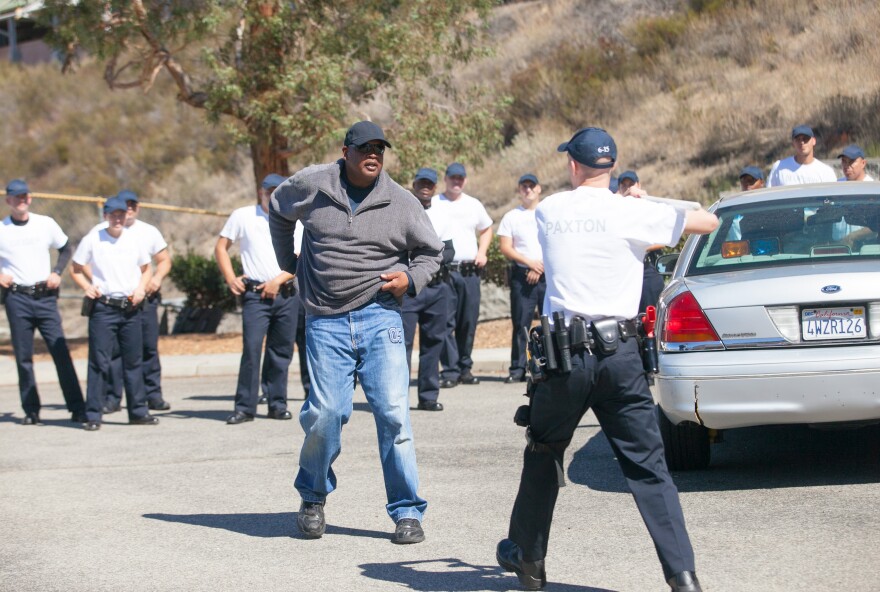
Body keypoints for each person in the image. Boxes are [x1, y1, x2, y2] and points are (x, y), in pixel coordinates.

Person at [495, 127, 719, 592]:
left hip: (565, 357)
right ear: (613, 167)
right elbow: (707, 222)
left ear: (573, 165)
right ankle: (683, 577)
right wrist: (644, 199)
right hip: (621, 356)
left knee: (543, 451)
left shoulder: (552, 209)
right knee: (648, 468)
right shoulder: (635, 213)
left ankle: (529, 560)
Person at [268, 121, 442, 544]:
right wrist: (288, 262)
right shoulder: (312, 185)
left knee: (394, 415)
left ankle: (406, 511)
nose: (373, 155)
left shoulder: (400, 202)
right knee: (326, 415)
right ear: (345, 151)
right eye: (365, 148)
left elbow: (431, 253)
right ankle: (312, 495)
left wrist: (409, 280)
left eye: (379, 149)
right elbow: (277, 207)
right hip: (325, 320)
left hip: (380, 317)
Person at [0, 179, 86, 425]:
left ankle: (77, 407)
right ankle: (31, 409)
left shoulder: (44, 224)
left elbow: (66, 248)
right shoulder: (2, 229)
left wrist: (57, 272)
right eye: (17, 197)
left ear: (30, 198)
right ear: (8, 201)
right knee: (24, 357)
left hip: (45, 297)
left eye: (25, 196)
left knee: (60, 351)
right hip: (17, 298)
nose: (22, 200)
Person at [216, 173, 298, 425]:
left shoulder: (296, 219)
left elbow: (300, 255)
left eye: (278, 191)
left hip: (285, 294)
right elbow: (221, 247)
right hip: (255, 296)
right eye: (269, 191)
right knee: (251, 351)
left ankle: (277, 403)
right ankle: (244, 408)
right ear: (261, 192)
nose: (273, 195)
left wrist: (277, 281)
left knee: (280, 352)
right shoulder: (243, 216)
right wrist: (231, 278)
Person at [70, 195, 157, 431]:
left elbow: (146, 268)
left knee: (133, 361)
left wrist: (141, 288)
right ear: (105, 215)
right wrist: (87, 286)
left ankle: (138, 411)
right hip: (104, 308)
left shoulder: (133, 240)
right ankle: (93, 414)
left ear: (127, 215)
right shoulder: (93, 238)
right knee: (99, 361)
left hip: (130, 307)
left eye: (122, 214)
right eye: (113, 214)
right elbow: (76, 268)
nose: (118, 218)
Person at [102, 190, 172, 414]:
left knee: (148, 347)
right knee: (115, 351)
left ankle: (153, 394)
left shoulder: (147, 232)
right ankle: (113, 397)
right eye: (125, 205)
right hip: (116, 302)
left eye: (133, 205)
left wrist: (157, 278)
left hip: (145, 300)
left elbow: (163, 260)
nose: (129, 209)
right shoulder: (101, 233)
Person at [433, 162, 493, 388]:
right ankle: (450, 370)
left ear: (465, 180)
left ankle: (465, 368)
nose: (456, 182)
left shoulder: (473, 204)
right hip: (446, 272)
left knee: (468, 321)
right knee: (445, 322)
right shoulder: (435, 204)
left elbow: (486, 228)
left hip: (469, 272)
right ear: (445, 178)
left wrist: (483, 252)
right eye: (452, 178)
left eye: (460, 178)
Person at [402, 167, 455, 411]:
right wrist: (431, 253)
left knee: (434, 342)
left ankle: (428, 396)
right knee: (402, 344)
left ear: (435, 188)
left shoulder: (443, 213)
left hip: (436, 288)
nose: (425, 187)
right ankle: (397, 397)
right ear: (414, 184)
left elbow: (450, 251)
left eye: (430, 184)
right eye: (421, 183)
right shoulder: (402, 209)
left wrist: (423, 256)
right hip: (410, 288)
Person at [497, 173, 545, 384]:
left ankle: (550, 364)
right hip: (522, 276)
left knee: (549, 322)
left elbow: (556, 242)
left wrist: (540, 266)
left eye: (531, 186)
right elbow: (506, 247)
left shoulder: (548, 213)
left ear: (539, 189)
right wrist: (529, 263)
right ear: (519, 190)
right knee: (520, 324)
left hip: (547, 275)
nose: (528, 190)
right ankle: (517, 368)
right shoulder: (511, 217)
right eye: (524, 186)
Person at [767, 125, 837, 187]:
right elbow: (770, 197)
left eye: (805, 139)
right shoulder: (779, 168)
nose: (802, 142)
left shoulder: (826, 172)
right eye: (798, 139)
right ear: (793, 143)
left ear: (813, 141)